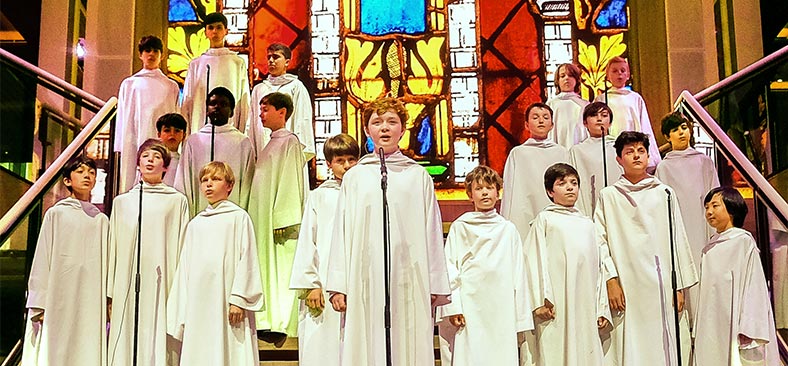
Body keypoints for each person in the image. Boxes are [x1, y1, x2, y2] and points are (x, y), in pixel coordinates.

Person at [326, 97, 451, 366]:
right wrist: (338, 284)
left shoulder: (417, 175)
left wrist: (434, 281)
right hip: (365, 275)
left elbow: (431, 229)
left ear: (403, 129)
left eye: (392, 122)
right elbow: (341, 232)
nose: (384, 127)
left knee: (408, 337)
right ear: (367, 130)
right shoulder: (356, 177)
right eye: (377, 122)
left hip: (409, 275)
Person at [595, 131, 697, 365]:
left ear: (648, 156)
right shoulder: (608, 196)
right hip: (626, 282)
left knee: (663, 342)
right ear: (619, 159)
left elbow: (677, 239)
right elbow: (599, 241)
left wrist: (679, 285)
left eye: (641, 151)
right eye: (629, 152)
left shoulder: (664, 193)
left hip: (661, 284)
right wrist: (611, 280)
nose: (636, 156)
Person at [167, 162, 264, 366]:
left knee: (231, 349)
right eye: (204, 180)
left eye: (216, 179)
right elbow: (185, 268)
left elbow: (247, 259)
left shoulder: (238, 218)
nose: (209, 184)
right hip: (199, 302)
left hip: (228, 301)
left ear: (229, 186)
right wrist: (181, 308)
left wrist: (239, 298)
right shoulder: (195, 224)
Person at [437, 165, 531, 366]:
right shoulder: (461, 226)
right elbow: (450, 267)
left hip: (501, 305)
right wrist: (454, 307)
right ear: (470, 194)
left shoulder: (508, 229)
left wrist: (520, 317)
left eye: (489, 187)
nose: (485, 193)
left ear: (498, 192)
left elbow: (519, 273)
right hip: (470, 304)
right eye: (479, 189)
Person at [107, 139, 190, 366]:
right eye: (145, 156)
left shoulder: (177, 201)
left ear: (165, 167)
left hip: (163, 280)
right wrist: (110, 291)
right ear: (137, 164)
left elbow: (183, 244)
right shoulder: (122, 202)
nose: (150, 160)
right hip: (127, 280)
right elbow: (113, 246)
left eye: (156, 157)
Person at [21, 157, 109, 366]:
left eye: (91, 172)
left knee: (85, 344)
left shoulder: (101, 220)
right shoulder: (57, 214)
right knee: (57, 347)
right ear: (67, 180)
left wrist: (107, 300)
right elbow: (43, 257)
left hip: (89, 296)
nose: (87, 176)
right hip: (59, 295)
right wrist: (39, 302)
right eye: (80, 171)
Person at [524, 163, 610, 366]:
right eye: (562, 183)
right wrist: (539, 301)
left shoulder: (588, 224)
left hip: (585, 304)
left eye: (574, 183)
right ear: (550, 191)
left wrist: (602, 307)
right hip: (555, 305)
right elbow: (533, 260)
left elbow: (599, 268)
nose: (570, 187)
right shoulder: (545, 220)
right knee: (556, 351)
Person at [289, 134, 360, 366]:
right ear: (329, 163)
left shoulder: (365, 195)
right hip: (324, 278)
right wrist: (311, 283)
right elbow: (308, 240)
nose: (347, 166)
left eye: (351, 159)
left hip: (356, 277)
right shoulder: (319, 196)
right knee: (323, 343)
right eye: (340, 160)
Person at [693, 187, 780, 366]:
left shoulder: (742, 242)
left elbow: (754, 286)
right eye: (706, 207)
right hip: (712, 321)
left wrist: (749, 326)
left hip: (736, 321)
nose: (709, 211)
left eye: (715, 205)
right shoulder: (709, 248)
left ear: (732, 208)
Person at [248, 92, 307, 344]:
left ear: (282, 112)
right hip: (262, 215)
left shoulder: (289, 142)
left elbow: (291, 179)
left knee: (279, 268)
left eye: (266, 109)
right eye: (260, 109)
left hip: (277, 221)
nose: (261, 115)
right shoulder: (271, 143)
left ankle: (280, 322)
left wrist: (284, 217)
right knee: (265, 266)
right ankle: (265, 319)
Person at [655, 112, 719, 323]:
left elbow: (714, 195)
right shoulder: (664, 167)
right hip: (678, 228)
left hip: (702, 225)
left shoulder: (704, 162)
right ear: (667, 137)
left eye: (684, 127)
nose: (681, 132)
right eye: (675, 130)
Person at [175, 87, 254, 217]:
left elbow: (247, 183)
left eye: (223, 104)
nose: (217, 107)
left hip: (233, 213)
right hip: (199, 213)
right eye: (213, 103)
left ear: (232, 112)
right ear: (207, 110)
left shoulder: (242, 142)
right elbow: (184, 180)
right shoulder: (194, 141)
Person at [116, 35, 180, 193]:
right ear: (140, 54)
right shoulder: (129, 84)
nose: (151, 54)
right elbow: (122, 118)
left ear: (161, 55)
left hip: (163, 142)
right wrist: (120, 146)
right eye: (147, 50)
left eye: (155, 51)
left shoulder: (170, 86)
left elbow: (175, 118)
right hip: (134, 140)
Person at [501, 102, 570, 240]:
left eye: (545, 117)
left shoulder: (561, 152)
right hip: (526, 208)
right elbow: (510, 190)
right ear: (526, 124)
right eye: (535, 117)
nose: (541, 121)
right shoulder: (518, 153)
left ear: (552, 125)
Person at [181, 12, 250, 134]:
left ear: (226, 31)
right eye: (211, 28)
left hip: (230, 128)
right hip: (201, 128)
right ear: (205, 32)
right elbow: (188, 99)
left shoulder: (237, 62)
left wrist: (243, 132)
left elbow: (244, 100)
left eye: (219, 27)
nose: (215, 32)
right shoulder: (196, 64)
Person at [249, 42, 315, 162]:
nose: (271, 61)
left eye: (276, 57)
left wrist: (298, 153)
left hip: (288, 152)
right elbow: (252, 122)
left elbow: (302, 120)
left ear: (287, 62)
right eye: (269, 57)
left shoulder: (296, 86)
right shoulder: (259, 89)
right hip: (263, 149)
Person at [594, 56, 661, 169]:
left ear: (628, 75)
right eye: (614, 71)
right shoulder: (602, 99)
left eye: (623, 70)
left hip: (633, 147)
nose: (619, 74)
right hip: (610, 147)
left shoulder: (635, 98)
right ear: (608, 76)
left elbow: (644, 124)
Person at [569, 102, 622, 217]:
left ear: (610, 122)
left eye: (604, 115)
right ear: (585, 123)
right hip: (591, 203)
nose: (599, 119)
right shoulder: (577, 151)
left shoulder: (619, 147)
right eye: (593, 115)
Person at [546, 63, 589, 149]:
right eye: (562, 76)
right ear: (557, 81)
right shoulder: (551, 104)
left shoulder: (584, 105)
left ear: (576, 80)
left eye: (571, 75)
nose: (567, 78)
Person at [155, 113, 187, 187]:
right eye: (167, 130)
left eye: (177, 131)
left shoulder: (184, 162)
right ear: (159, 135)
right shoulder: (151, 160)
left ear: (184, 136)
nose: (172, 134)